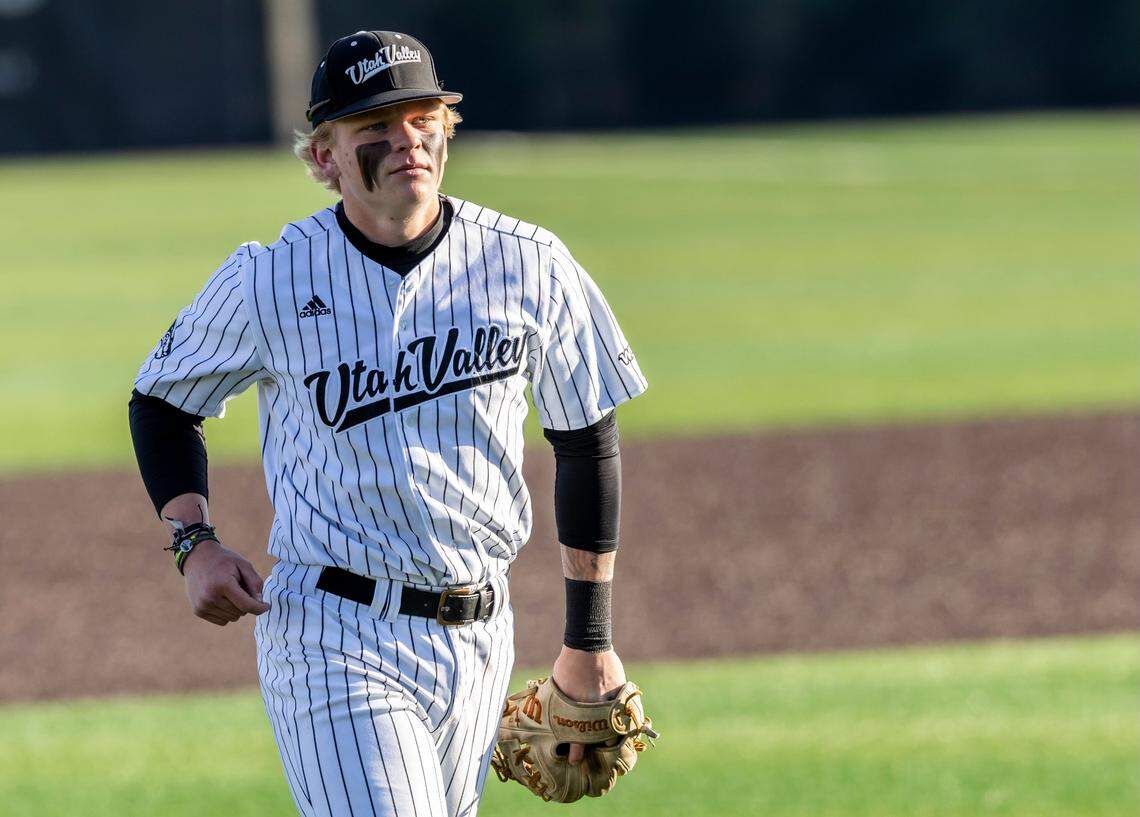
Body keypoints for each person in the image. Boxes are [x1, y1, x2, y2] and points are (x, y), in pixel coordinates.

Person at [128, 29, 647, 817]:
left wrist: (590, 638)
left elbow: (585, 440)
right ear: (324, 158)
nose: (406, 139)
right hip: (334, 633)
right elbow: (163, 402)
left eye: (422, 117)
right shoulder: (271, 280)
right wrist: (193, 542)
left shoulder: (528, 264)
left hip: (479, 633)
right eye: (375, 127)